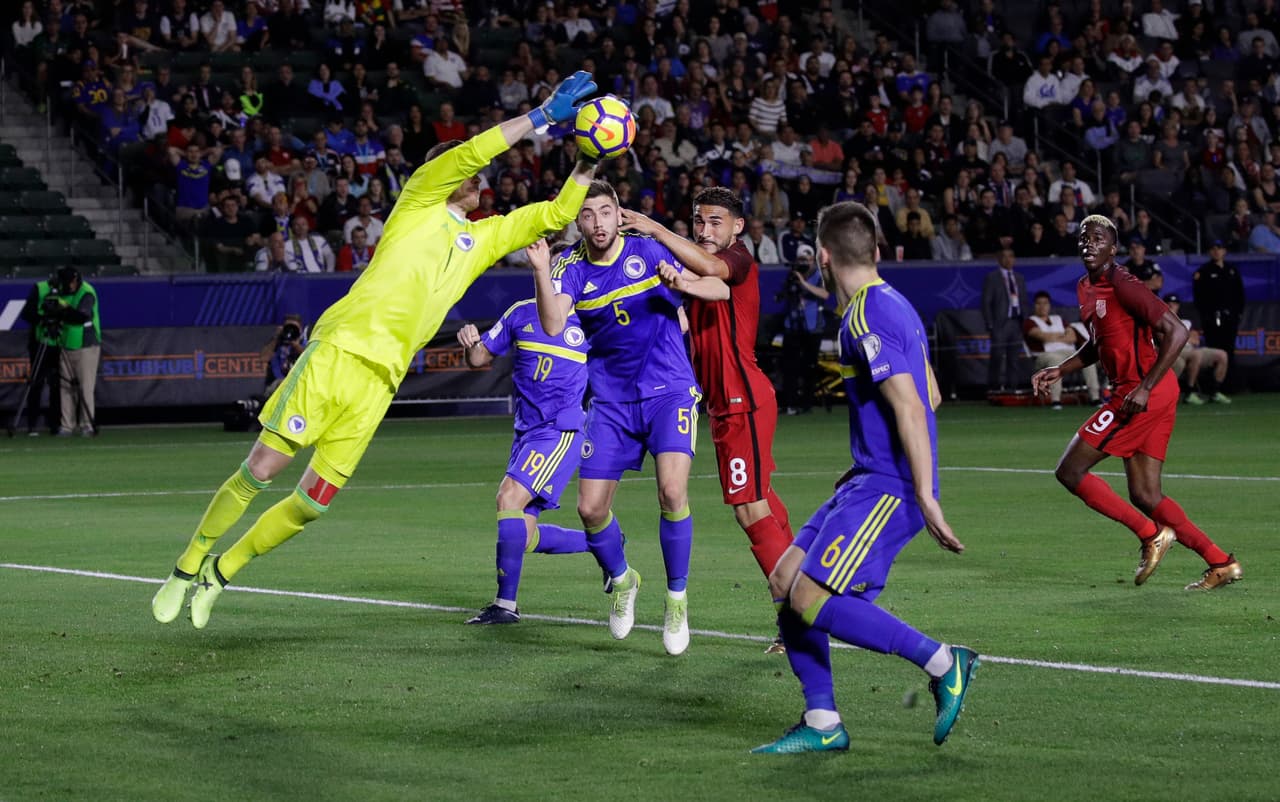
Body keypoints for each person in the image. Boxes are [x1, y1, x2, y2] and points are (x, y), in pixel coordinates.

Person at [150, 70, 602, 629]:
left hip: (379, 383)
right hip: (338, 351)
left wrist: (588, 162)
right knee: (263, 467)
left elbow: (556, 215)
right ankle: (186, 565)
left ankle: (221, 572)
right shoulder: (418, 200)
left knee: (313, 503)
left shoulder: (483, 239)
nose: (480, 176)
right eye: (470, 169)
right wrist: (541, 116)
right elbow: (473, 151)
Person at [753, 201, 976, 754]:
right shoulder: (894, 302)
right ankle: (823, 722)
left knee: (808, 598)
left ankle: (945, 662)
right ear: (876, 252)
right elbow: (934, 395)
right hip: (869, 477)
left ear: (823, 258)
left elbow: (908, 405)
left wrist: (922, 493)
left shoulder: (864, 317)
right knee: (786, 580)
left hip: (890, 487)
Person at [532, 180, 720, 656]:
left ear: (620, 213)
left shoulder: (649, 249)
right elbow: (554, 324)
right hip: (612, 402)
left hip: (669, 390)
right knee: (590, 509)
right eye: (588, 215)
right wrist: (540, 270)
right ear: (578, 221)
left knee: (672, 491)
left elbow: (718, 285)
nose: (597, 223)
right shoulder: (570, 268)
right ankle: (622, 579)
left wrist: (684, 283)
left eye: (605, 212)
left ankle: (676, 598)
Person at [619, 187, 796, 654]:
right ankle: (806, 594)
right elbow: (691, 304)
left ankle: (799, 616)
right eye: (699, 221)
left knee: (749, 509)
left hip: (744, 401)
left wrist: (657, 231)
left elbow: (717, 277)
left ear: (738, 226)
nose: (705, 230)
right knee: (765, 506)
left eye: (716, 221)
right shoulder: (698, 273)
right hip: (722, 406)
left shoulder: (738, 258)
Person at [1031, 215, 1242, 591]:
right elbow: (1099, 344)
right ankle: (1220, 562)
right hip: (1146, 392)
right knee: (1145, 493)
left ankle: (1151, 535)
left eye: (1098, 238)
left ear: (1114, 249)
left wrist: (1144, 387)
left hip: (1139, 394)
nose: (1089, 244)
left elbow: (1178, 331)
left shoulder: (1123, 283)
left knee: (1070, 471)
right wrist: (1061, 368)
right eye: (1084, 238)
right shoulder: (1086, 287)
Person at [457, 272, 594, 624]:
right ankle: (604, 543)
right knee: (526, 535)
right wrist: (471, 342)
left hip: (560, 431)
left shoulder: (591, 318)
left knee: (508, 499)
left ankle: (505, 606)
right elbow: (478, 359)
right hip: (526, 434)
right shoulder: (520, 312)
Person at [1023, 291, 1100, 409]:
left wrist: (1052, 336)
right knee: (1055, 360)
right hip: (1044, 355)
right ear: (1035, 305)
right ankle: (1056, 400)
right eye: (1039, 303)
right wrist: (1062, 335)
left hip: (1067, 352)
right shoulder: (1030, 321)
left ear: (1049, 305)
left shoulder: (1058, 319)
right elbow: (1041, 336)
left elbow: (1073, 337)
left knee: (1086, 358)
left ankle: (1095, 398)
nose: (1042, 306)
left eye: (1045, 303)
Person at [778, 247, 830, 414]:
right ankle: (790, 403)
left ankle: (807, 403)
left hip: (812, 328)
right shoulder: (792, 275)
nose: (803, 262)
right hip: (792, 327)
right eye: (800, 259)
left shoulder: (819, 276)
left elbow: (825, 295)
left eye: (806, 259)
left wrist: (803, 283)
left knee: (809, 367)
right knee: (790, 367)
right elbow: (783, 294)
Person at [50, 267, 100, 437]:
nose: (68, 286)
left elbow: (82, 316)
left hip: (86, 345)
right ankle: (67, 426)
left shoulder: (87, 292)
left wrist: (62, 311)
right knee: (65, 386)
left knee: (85, 387)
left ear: (76, 280)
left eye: (70, 282)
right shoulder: (62, 291)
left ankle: (86, 425)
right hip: (66, 344)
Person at [1192, 240, 1246, 393]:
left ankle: (1229, 386)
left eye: (1219, 248)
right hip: (1212, 319)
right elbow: (1199, 298)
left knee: (1229, 351)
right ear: (1210, 252)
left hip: (1230, 318)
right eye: (1213, 249)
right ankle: (1212, 387)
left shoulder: (1232, 271)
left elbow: (1240, 295)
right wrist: (1207, 316)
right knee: (1214, 351)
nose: (1216, 251)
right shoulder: (1203, 272)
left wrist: (1237, 314)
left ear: (1224, 251)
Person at [1164, 293, 1230, 405]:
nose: (1171, 306)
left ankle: (1214, 392)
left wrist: (1181, 337)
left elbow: (1195, 340)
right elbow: (1167, 341)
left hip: (1191, 348)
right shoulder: (1162, 320)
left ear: (1178, 305)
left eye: (1174, 304)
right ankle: (1190, 393)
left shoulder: (1186, 321)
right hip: (1176, 351)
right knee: (1196, 355)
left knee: (1222, 354)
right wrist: (1185, 337)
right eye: (1168, 304)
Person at [17, 274, 63, 435]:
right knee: (36, 383)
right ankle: (32, 425)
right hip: (39, 341)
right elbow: (27, 313)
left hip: (58, 341)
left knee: (57, 384)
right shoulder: (39, 288)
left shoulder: (66, 290)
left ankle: (55, 424)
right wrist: (42, 319)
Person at [981, 248, 1028, 393]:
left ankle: (1011, 389)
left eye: (1011, 256)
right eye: (1004, 257)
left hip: (1016, 322)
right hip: (1000, 324)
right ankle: (994, 388)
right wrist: (990, 324)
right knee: (997, 356)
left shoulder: (1019, 278)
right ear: (999, 259)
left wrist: (1025, 320)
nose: (1008, 259)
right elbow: (986, 302)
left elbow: (1023, 300)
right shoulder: (992, 277)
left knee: (1014, 358)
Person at [259, 313, 307, 396]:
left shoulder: (305, 343)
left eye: (294, 328)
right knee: (282, 384)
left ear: (300, 329)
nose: (291, 330)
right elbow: (263, 358)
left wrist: (295, 345)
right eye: (288, 327)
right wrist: (276, 337)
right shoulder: (277, 342)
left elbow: (309, 358)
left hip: (298, 383)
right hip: (277, 384)